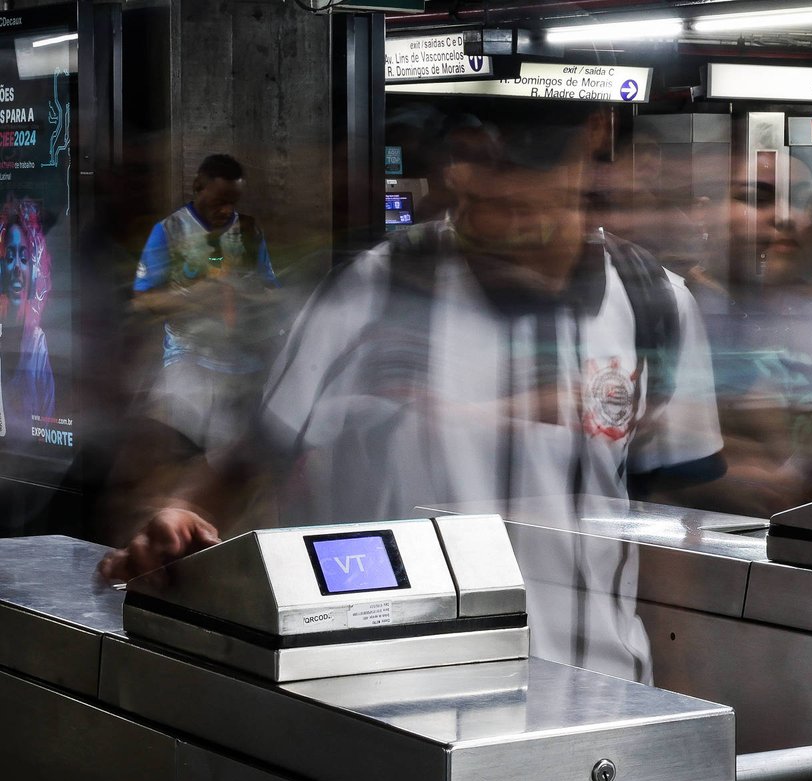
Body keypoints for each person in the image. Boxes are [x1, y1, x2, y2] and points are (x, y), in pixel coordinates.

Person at [102, 109, 726, 682]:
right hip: (397, 696)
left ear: (590, 141)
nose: (504, 191)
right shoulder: (371, 291)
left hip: (601, 693)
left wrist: (692, 708)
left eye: (530, 162)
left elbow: (672, 534)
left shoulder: (657, 305)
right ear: (456, 165)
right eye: (480, 162)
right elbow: (248, 466)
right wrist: (178, 524)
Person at [131, 154, 281, 458]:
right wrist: (195, 296)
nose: (226, 210)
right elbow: (143, 300)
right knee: (188, 455)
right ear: (198, 187)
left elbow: (272, 292)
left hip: (244, 366)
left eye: (233, 202)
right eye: (218, 201)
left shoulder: (249, 232)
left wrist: (248, 295)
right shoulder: (170, 231)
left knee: (238, 463)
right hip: (190, 361)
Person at [0, 195, 53, 443]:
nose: (18, 268)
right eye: (9, 257)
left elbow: (48, 417)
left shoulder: (36, 341)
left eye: (24, 257)